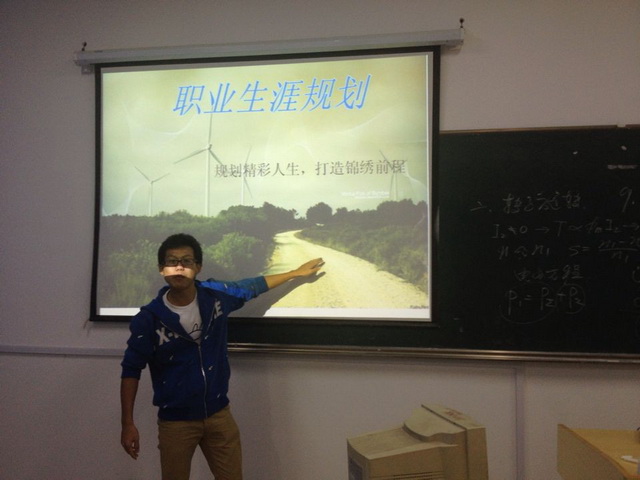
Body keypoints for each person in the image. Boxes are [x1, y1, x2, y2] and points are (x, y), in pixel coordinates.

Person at [120, 233, 324, 480]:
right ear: (161, 269)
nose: (179, 267)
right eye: (172, 261)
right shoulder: (149, 319)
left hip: (219, 415)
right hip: (176, 422)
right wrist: (127, 424)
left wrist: (294, 273)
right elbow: (131, 370)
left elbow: (251, 286)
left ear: (198, 267)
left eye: (187, 261)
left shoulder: (215, 296)